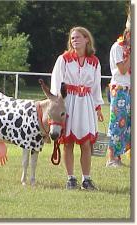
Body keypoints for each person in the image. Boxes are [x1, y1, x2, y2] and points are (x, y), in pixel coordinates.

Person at [50, 26, 104, 190]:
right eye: (72, 38)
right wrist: (57, 103)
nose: (74, 40)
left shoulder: (94, 61)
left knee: (86, 143)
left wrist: (98, 107)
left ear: (87, 39)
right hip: (69, 101)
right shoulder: (64, 59)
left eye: (78, 37)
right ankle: (70, 179)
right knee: (68, 142)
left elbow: (96, 86)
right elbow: (56, 82)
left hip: (86, 103)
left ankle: (86, 179)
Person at [106, 27, 131, 167]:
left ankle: (118, 157)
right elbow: (122, 70)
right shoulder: (117, 47)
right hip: (119, 89)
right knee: (116, 124)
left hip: (130, 89)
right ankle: (111, 158)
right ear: (127, 34)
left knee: (126, 125)